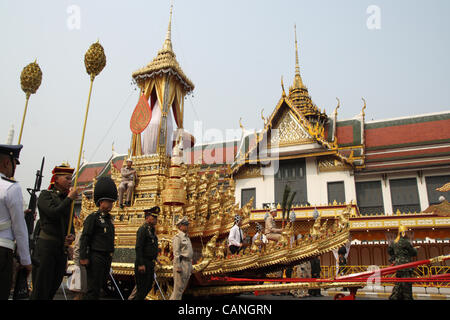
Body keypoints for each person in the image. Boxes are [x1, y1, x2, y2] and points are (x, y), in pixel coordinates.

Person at [30, 163, 78, 300]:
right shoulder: (46, 195)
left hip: (60, 248)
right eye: (67, 178)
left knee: (53, 286)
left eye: (71, 179)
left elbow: (71, 224)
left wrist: (71, 236)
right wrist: (69, 199)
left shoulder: (68, 201)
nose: (70, 182)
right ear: (56, 179)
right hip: (46, 246)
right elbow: (53, 213)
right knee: (41, 289)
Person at [0, 144, 32, 300]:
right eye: (14, 164)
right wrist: (26, 260)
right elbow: (19, 228)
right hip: (3, 250)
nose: (14, 168)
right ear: (7, 163)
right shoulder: (11, 188)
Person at [79, 176, 117, 300]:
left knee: (101, 287)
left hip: (106, 257)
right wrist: (83, 257)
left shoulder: (109, 220)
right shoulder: (93, 218)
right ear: (101, 202)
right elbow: (85, 238)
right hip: (96, 256)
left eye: (112, 202)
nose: (111, 204)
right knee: (93, 288)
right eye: (109, 202)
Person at [134, 206, 160, 300]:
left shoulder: (151, 230)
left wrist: (155, 257)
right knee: (142, 289)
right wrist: (141, 264)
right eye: (154, 218)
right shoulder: (143, 230)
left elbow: (151, 246)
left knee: (148, 286)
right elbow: (139, 247)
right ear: (147, 217)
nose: (156, 220)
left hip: (150, 262)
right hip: (143, 262)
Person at [388, 225, 418, 300]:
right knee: (406, 284)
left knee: (398, 283)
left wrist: (395, 257)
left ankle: (395, 297)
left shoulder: (394, 242)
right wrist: (415, 249)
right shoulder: (405, 242)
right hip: (406, 266)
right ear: (403, 233)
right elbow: (413, 253)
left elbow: (389, 251)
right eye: (407, 232)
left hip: (398, 265)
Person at [169, 216, 193, 300]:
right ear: (180, 226)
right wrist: (178, 266)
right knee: (178, 289)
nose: (187, 226)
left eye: (187, 224)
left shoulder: (186, 237)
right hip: (181, 264)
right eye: (185, 224)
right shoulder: (178, 237)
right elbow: (176, 253)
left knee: (182, 289)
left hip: (188, 263)